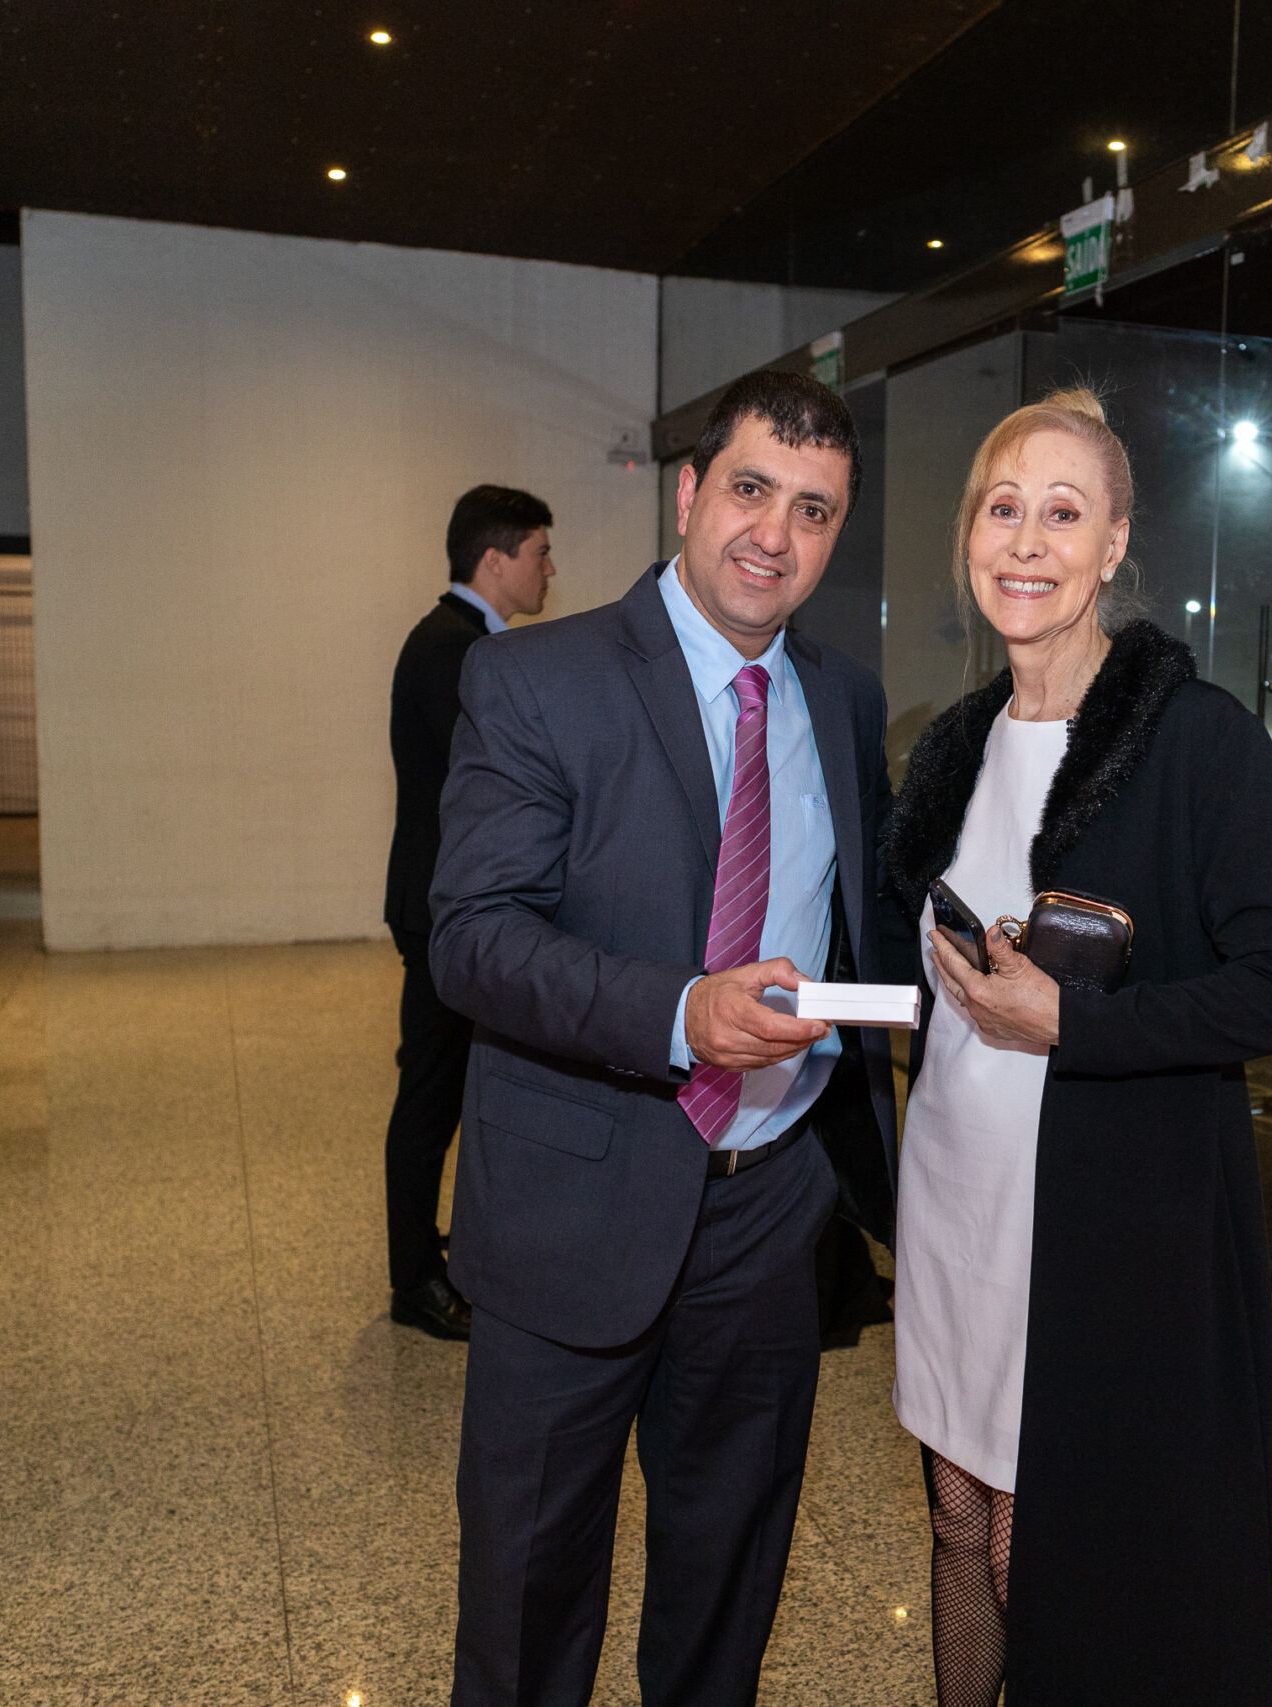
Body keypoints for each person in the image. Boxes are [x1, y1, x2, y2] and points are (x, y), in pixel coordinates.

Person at [427, 370, 901, 1707]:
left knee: (725, 1596)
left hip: (769, 1214)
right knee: (527, 1609)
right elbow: (473, 937)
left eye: (814, 509)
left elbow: (856, 919)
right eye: (751, 489)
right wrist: (679, 1011)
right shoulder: (536, 677)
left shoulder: (846, 700)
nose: (775, 535)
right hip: (573, 1201)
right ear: (689, 493)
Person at [881, 389, 1272, 1707]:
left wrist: (1074, 1023)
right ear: (970, 535)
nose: (1027, 542)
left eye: (1063, 513)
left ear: (1116, 542)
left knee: (1051, 1557)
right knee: (958, 1523)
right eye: (1002, 508)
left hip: (1099, 1234)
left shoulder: (1195, 742)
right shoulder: (953, 745)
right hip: (956, 1204)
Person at [381, 484, 555, 1340]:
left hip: (437, 899)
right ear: (495, 560)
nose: (549, 570)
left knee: (442, 1085)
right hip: (441, 908)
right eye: (539, 553)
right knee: (430, 1093)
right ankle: (413, 1278)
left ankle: (425, 1250)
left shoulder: (456, 641)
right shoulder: (457, 652)